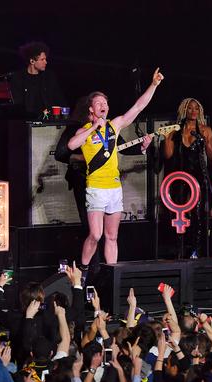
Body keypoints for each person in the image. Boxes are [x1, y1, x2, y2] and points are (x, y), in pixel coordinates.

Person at [67, 68, 164, 269]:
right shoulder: (84, 131)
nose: (104, 106)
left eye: (106, 103)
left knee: (112, 236)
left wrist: (153, 85)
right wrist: (94, 127)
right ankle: (83, 272)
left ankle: (112, 275)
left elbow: (138, 107)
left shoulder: (114, 126)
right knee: (96, 234)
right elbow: (71, 146)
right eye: (99, 103)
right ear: (91, 110)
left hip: (114, 188)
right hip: (95, 188)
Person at [162, 98, 212, 258]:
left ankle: (196, 251)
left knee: (198, 214)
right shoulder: (174, 131)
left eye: (196, 109)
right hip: (179, 177)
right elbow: (168, 155)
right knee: (179, 214)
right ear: (184, 110)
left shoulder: (205, 130)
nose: (193, 111)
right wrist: (166, 139)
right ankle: (180, 249)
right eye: (190, 108)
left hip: (198, 178)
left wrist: (207, 143)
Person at [9, 41, 66, 119]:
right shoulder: (19, 78)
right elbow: (17, 104)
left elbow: (59, 99)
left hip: (48, 120)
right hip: (27, 121)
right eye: (42, 59)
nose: (46, 62)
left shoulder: (49, 77)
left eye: (45, 59)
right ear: (32, 61)